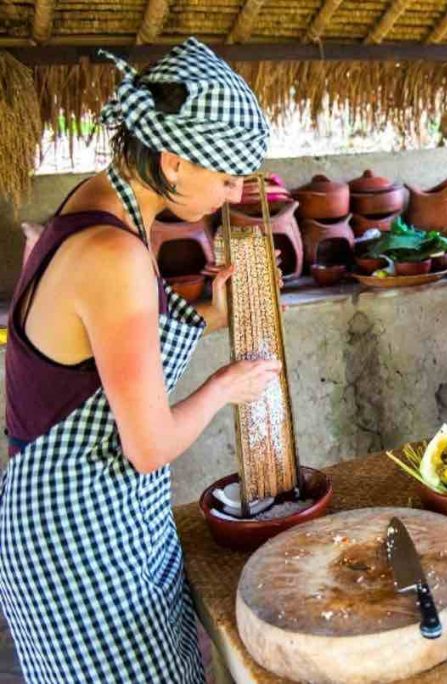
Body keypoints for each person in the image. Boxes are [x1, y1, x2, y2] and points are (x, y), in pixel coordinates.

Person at [1, 38, 281, 682]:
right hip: (78, 536)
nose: (235, 193)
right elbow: (149, 445)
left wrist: (212, 312)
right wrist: (225, 387)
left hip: (92, 513)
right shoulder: (114, 252)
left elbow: (104, 360)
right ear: (175, 161)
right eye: (226, 175)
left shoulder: (97, 208)